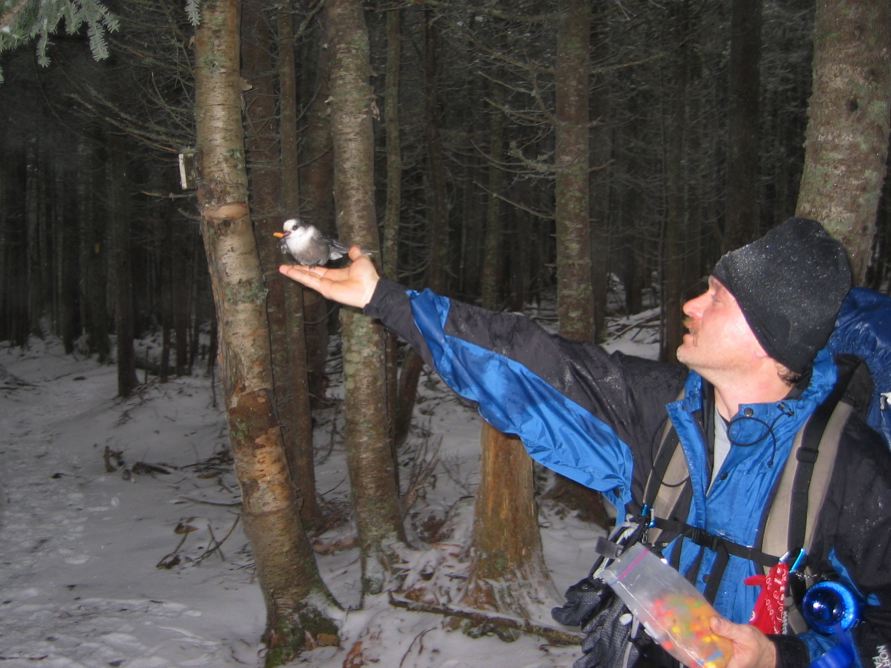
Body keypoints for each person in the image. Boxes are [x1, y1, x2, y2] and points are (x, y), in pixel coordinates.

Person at [280, 217, 891, 667]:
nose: (691, 304)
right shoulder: (658, 412)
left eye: (718, 297)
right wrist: (382, 300)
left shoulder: (854, 469)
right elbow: (523, 361)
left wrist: (779, 658)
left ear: (769, 334)